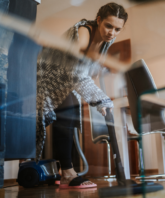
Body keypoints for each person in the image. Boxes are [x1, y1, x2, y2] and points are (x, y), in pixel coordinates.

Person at [36, 2, 128, 189]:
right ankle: (65, 173)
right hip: (46, 75)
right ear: (99, 20)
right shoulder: (83, 34)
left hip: (66, 80)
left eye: (118, 29)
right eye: (108, 26)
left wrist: (98, 95)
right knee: (50, 119)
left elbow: (89, 70)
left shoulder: (106, 40)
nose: (112, 32)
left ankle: (65, 172)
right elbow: (77, 74)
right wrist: (100, 98)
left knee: (68, 118)